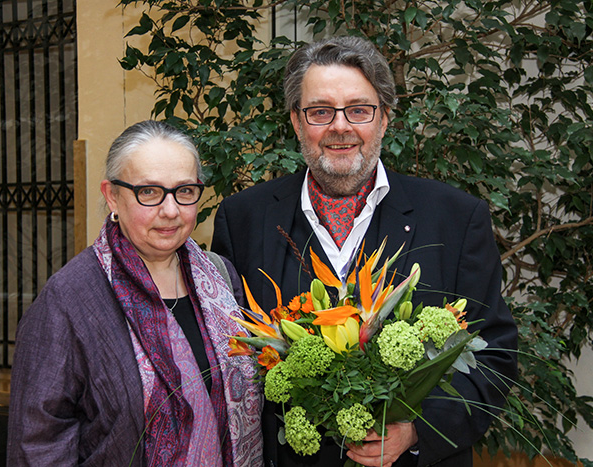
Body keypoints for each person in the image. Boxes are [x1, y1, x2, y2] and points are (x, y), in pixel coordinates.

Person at [211, 36, 518, 467]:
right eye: (320, 111)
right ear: (297, 122)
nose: (340, 127)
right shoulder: (243, 219)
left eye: (359, 109)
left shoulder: (456, 218)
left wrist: (416, 431)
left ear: (385, 118)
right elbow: (228, 361)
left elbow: (496, 352)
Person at [8, 120, 263, 466]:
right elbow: (36, 446)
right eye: (149, 192)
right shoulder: (70, 299)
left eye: (184, 191)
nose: (170, 210)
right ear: (112, 195)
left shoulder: (220, 278)